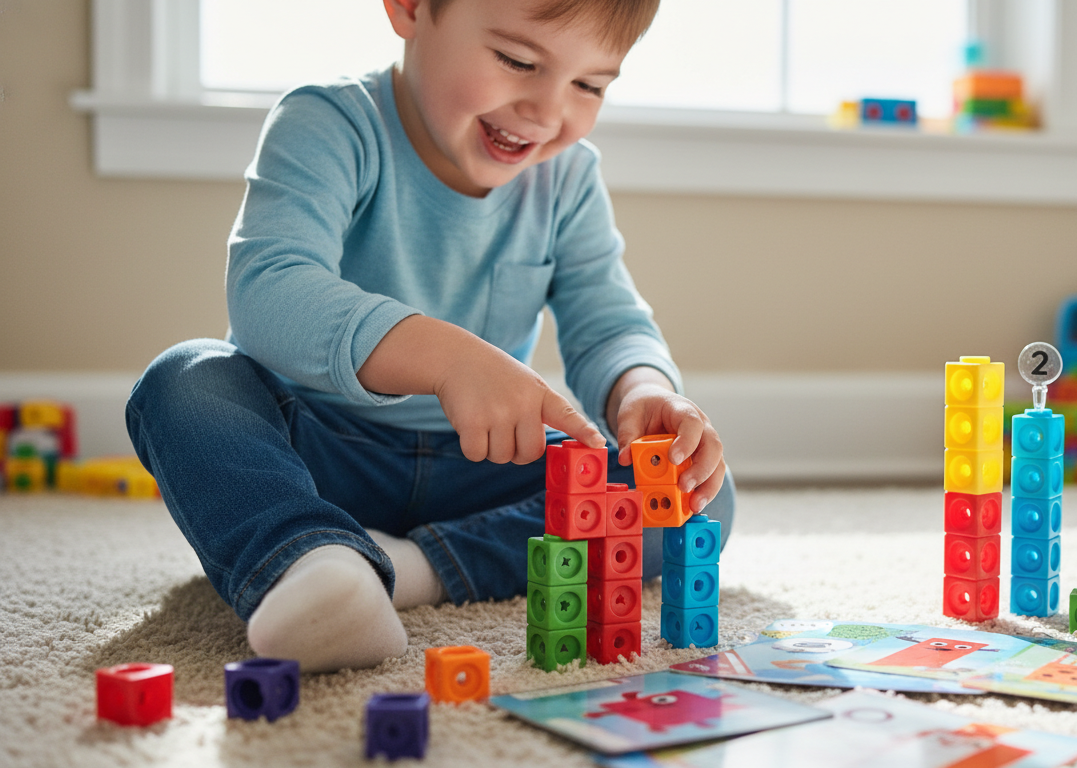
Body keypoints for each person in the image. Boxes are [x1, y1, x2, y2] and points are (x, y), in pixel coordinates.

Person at [125, 0, 733, 673]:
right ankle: (308, 558)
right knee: (184, 381)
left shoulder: (568, 178)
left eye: (589, 85)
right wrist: (444, 358)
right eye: (518, 61)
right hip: (320, 448)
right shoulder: (328, 123)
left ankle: (397, 570)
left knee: (695, 495)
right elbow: (269, 290)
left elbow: (608, 321)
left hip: (484, 462)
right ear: (411, 8)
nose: (546, 110)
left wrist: (641, 392)